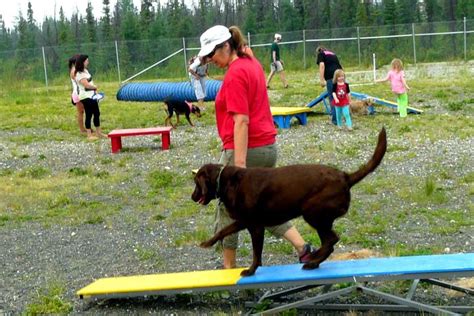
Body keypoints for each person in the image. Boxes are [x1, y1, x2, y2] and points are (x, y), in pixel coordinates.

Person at [197, 25, 316, 269]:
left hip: (244, 150)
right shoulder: (249, 63)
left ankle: (228, 268)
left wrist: (238, 166)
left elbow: (241, 120)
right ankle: (303, 248)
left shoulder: (235, 74)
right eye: (207, 56)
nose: (211, 59)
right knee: (261, 207)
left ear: (226, 46)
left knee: (229, 207)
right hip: (267, 146)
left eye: (212, 54)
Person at [74, 54, 107, 140]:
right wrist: (95, 87)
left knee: (97, 113)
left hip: (92, 95)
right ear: (82, 62)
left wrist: (95, 91)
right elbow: (86, 85)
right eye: (87, 60)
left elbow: (90, 82)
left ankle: (99, 133)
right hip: (85, 96)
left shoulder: (85, 71)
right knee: (89, 114)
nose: (88, 62)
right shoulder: (79, 74)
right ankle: (89, 135)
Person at [316, 46, 343, 125]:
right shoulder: (333, 54)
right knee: (341, 97)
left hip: (331, 77)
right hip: (340, 75)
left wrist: (321, 80)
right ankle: (343, 116)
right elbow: (339, 65)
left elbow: (322, 66)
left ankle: (335, 120)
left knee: (332, 97)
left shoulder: (321, 54)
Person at [68, 55, 86, 134]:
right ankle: (82, 130)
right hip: (78, 94)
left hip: (80, 93)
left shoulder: (77, 70)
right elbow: (80, 81)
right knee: (80, 112)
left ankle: (85, 128)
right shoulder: (74, 71)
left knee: (83, 111)